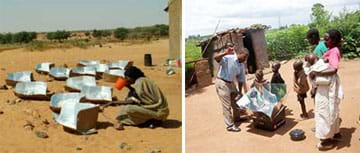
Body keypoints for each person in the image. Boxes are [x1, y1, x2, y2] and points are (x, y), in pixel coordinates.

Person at [309, 29, 343, 150]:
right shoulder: (332, 50)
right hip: (327, 84)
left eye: (326, 38)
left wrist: (316, 72)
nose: (324, 40)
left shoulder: (334, 51)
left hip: (327, 85)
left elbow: (334, 69)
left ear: (333, 40)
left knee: (324, 110)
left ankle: (327, 140)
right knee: (331, 108)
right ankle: (335, 132)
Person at [113, 66, 169, 130]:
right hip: (151, 108)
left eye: (127, 78)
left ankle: (151, 121)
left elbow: (133, 101)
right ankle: (147, 120)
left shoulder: (141, 82)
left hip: (159, 112)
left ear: (132, 76)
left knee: (129, 109)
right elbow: (138, 96)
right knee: (123, 110)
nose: (126, 79)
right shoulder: (140, 81)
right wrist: (128, 86)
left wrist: (114, 102)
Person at [214, 42, 248, 132]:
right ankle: (230, 125)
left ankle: (237, 118)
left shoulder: (241, 65)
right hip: (222, 82)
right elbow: (216, 58)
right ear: (240, 54)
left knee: (236, 101)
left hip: (231, 83)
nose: (245, 59)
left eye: (246, 58)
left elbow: (241, 79)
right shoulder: (229, 58)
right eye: (244, 57)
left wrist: (240, 92)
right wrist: (225, 52)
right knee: (227, 105)